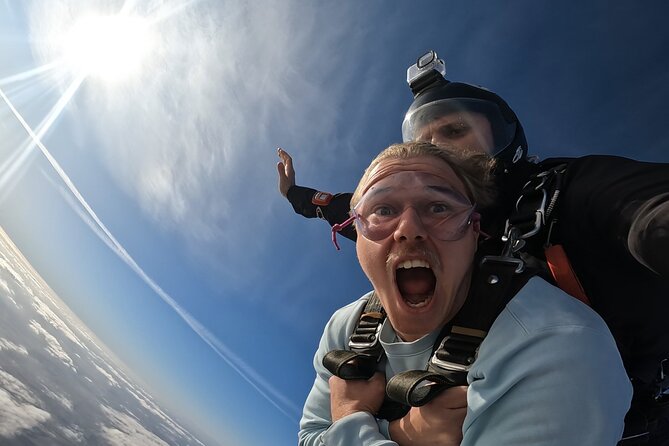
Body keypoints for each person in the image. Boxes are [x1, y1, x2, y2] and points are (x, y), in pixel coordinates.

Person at [279, 51, 669, 444]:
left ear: (504, 139)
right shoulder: (400, 234)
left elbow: (645, 211)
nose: (409, 228)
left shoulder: (571, 194)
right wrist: (299, 196)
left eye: (453, 132)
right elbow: (356, 212)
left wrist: (352, 419)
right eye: (424, 141)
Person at [298, 141, 632, 446]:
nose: (410, 229)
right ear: (355, 230)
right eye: (383, 210)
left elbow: (321, 437)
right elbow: (308, 437)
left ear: (474, 233)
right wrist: (402, 434)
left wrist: (349, 419)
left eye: (439, 207)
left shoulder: (556, 345)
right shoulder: (347, 327)